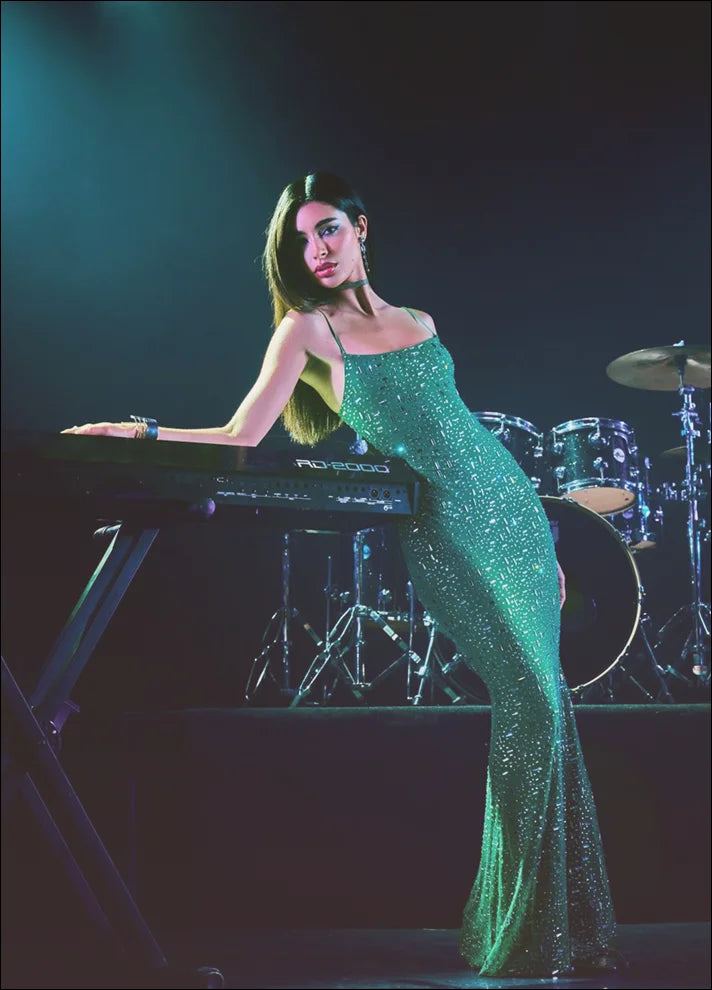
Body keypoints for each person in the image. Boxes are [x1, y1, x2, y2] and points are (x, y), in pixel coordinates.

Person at [63, 171, 619, 977]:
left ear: (361, 229)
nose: (316, 251)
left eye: (328, 230)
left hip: (516, 516)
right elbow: (239, 431)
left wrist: (545, 537)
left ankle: (559, 928)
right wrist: (142, 432)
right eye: (302, 240)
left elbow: (466, 435)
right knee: (530, 700)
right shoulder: (305, 330)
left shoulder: (421, 320)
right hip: (445, 532)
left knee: (551, 703)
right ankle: (529, 927)